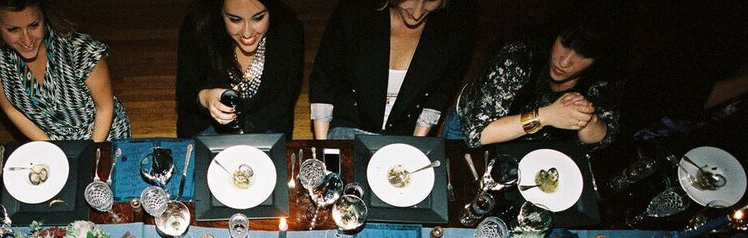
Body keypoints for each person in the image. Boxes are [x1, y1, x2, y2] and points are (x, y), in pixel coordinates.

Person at [453, 9, 620, 148]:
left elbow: (603, 139)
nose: (565, 62)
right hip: (472, 130)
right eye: (565, 44)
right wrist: (544, 117)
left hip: (537, 151)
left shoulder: (601, 81)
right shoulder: (519, 57)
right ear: (554, 34)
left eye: (583, 54)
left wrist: (586, 117)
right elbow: (477, 134)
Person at [309, 0, 473, 139]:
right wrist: (323, 145)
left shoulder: (455, 32)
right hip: (349, 125)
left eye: (430, 0)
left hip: (406, 134)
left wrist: (416, 145)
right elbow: (323, 81)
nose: (417, 13)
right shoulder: (352, 15)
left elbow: (439, 95)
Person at [0, 0, 131, 142]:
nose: (27, 40)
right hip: (47, 138)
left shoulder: (82, 51)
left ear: (45, 16)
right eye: (13, 29)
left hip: (101, 134)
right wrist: (51, 149)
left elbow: (105, 108)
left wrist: (89, 154)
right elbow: (10, 109)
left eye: (34, 25)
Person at [176, 0, 304, 137]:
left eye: (258, 18)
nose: (247, 33)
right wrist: (205, 98)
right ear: (220, 12)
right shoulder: (199, 27)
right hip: (206, 126)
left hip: (267, 126)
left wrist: (244, 133)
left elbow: (283, 102)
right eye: (235, 20)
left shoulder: (289, 31)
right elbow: (186, 91)